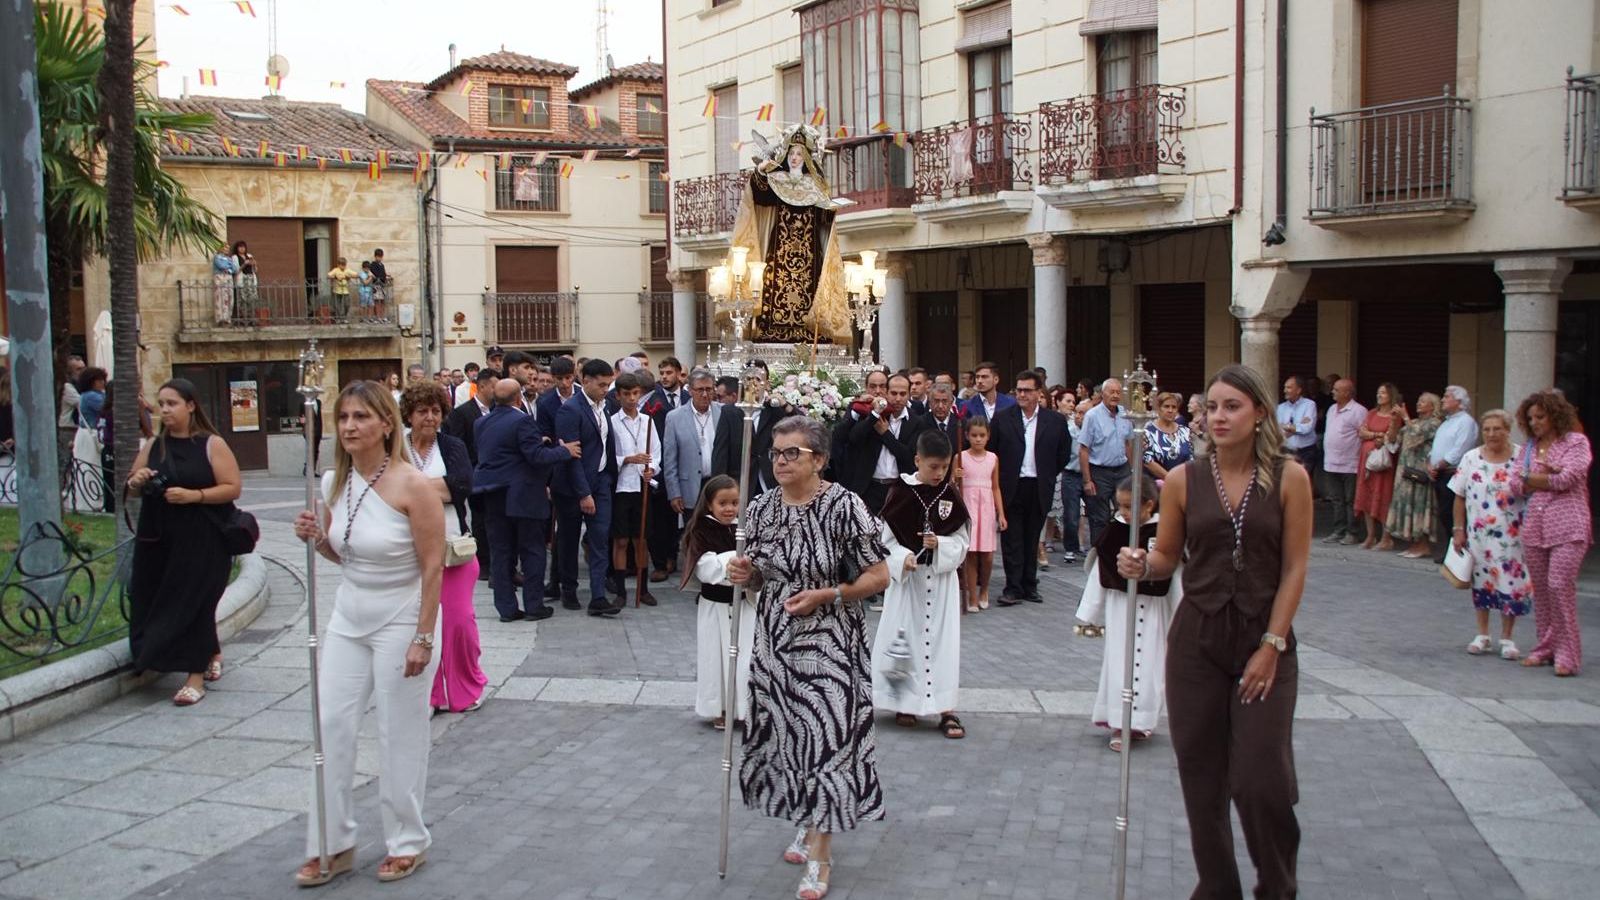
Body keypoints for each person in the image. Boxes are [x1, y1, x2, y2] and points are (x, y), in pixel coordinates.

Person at [1116, 364, 1311, 899]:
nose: (1218, 417)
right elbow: (1167, 558)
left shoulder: (1290, 477)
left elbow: (1295, 567)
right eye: (1212, 408)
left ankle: (1277, 885)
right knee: (1202, 783)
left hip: (1263, 640)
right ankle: (1218, 889)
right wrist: (1140, 562)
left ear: (1260, 414)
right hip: (1196, 641)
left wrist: (1272, 645)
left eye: (1233, 407)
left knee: (1258, 781)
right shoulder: (1182, 480)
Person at [726, 416, 891, 900]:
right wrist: (745, 573)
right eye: (775, 453)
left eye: (791, 453)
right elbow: (759, 576)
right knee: (789, 740)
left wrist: (831, 594)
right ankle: (806, 816)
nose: (780, 461)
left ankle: (821, 856)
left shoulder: (845, 506)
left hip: (831, 643)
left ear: (819, 459)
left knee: (828, 743)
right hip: (775, 644)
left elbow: (878, 576)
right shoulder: (759, 509)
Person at [291, 380, 444, 886]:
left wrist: (422, 636)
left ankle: (407, 840)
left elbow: (433, 565)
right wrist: (317, 541)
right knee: (330, 726)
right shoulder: (335, 479)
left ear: (385, 424)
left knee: (399, 734)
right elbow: (345, 552)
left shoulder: (412, 483)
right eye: (343, 418)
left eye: (360, 417)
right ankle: (331, 843)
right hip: (348, 616)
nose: (350, 426)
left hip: (403, 617)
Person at [125, 379, 242, 706]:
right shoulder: (153, 445)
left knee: (196, 601)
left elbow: (232, 487)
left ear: (191, 406)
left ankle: (194, 676)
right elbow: (132, 485)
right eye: (161, 403)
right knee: (153, 595)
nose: (165, 410)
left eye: (172, 403)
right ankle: (210, 651)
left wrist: (195, 496)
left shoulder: (211, 444)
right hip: (159, 537)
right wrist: (137, 480)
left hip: (203, 538)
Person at [871, 430, 970, 737]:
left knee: (943, 643)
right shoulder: (901, 493)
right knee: (906, 640)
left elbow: (962, 542)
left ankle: (945, 708)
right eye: (932, 467)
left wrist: (940, 543)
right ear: (918, 461)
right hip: (909, 584)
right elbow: (884, 542)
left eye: (944, 467)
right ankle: (905, 703)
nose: (939, 474)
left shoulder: (950, 495)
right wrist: (902, 557)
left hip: (940, 583)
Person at [1078, 473, 1182, 750]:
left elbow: (1176, 575)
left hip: (1154, 611)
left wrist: (1183, 618)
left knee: (1150, 666)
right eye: (1120, 506)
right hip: (1120, 607)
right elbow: (1100, 571)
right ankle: (1119, 723)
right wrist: (1088, 613)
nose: (1122, 512)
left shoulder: (1164, 531)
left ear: (1149, 505)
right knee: (1119, 663)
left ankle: (1142, 722)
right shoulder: (1115, 530)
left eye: (1128, 507)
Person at [399, 381, 485, 713]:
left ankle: (466, 687)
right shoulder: (396, 449)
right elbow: (383, 486)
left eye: (436, 411)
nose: (430, 418)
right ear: (409, 414)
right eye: (423, 411)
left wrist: (409, 491)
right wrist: (435, 488)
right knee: (423, 624)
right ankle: (431, 695)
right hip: (411, 553)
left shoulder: (452, 446)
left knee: (459, 622)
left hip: (454, 548)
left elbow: (462, 486)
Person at [731, 124, 850, 344]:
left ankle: (809, 329)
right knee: (774, 285)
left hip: (809, 253)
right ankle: (771, 329)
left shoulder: (816, 185)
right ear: (786, 155)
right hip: (780, 250)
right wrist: (760, 171)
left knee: (811, 287)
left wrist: (831, 211)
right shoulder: (777, 180)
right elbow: (759, 194)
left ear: (806, 158)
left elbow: (822, 219)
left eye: (799, 154)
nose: (795, 158)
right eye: (792, 153)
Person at [474, 379, 578, 621]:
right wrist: (565, 451)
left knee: (501, 553)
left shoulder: (481, 422)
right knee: (532, 551)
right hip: (523, 496)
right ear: (518, 399)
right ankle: (533, 605)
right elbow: (536, 457)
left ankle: (507, 609)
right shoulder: (522, 420)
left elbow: (502, 450)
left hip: (492, 495)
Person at [1509, 390, 1592, 677]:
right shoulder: (1529, 448)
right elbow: (1516, 485)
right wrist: (1543, 476)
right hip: (1535, 527)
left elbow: (1569, 477)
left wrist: (1534, 478)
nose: (1535, 423)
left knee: (1559, 585)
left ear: (1555, 415)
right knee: (1542, 592)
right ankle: (1545, 647)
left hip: (1569, 526)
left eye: (1540, 417)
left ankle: (1568, 654)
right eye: (1530, 418)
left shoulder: (1575, 442)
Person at [1449, 409, 1533, 660]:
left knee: (1511, 582)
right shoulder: (1471, 458)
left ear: (1507, 430)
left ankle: (1507, 637)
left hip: (1512, 535)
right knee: (1482, 581)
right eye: (1487, 429)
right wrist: (1458, 529)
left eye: (1497, 429)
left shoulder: (1521, 458)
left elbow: (1532, 492)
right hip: (1479, 535)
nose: (1492, 434)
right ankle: (1482, 634)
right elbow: (1459, 496)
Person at [992, 370, 1070, 605]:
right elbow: (993, 451)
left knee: (1031, 537)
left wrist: (1047, 474)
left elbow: (1063, 453)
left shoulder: (1054, 421)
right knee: (1011, 539)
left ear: (1038, 393)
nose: (1022, 394)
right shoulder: (1003, 418)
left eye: (1027, 390)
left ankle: (1029, 584)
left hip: (1038, 485)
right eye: (1019, 390)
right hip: (1011, 486)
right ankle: (1012, 587)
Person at [684, 475, 753, 730]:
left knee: (744, 658)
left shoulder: (745, 527)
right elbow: (704, 567)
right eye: (722, 503)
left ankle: (744, 708)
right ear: (710, 504)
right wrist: (734, 562)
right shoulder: (702, 529)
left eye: (734, 503)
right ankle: (720, 707)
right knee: (718, 659)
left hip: (744, 607)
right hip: (715, 608)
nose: (729, 509)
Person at [556, 358, 621, 616]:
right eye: (602, 384)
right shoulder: (570, 410)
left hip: (602, 480)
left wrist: (605, 480)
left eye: (609, 384)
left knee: (599, 539)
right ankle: (568, 589)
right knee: (570, 539)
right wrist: (583, 493)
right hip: (573, 486)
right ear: (586, 380)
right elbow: (573, 455)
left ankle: (598, 597)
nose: (606, 389)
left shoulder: (606, 407)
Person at [609, 372, 662, 606]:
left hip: (642, 487)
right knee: (621, 540)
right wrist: (627, 459)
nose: (632, 399)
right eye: (627, 394)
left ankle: (643, 589)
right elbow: (610, 456)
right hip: (621, 487)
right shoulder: (612, 422)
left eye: (635, 394)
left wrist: (653, 469)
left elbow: (656, 453)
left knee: (641, 540)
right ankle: (621, 591)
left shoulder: (648, 421)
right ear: (618, 395)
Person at [664, 368, 740, 520]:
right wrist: (674, 492)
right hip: (690, 487)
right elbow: (670, 459)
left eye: (709, 389)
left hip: (719, 483)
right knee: (694, 533)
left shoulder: (724, 412)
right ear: (690, 390)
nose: (705, 394)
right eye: (700, 390)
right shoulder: (675, 418)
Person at [445, 367, 498, 578]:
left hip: (495, 473)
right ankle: (483, 562)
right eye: (493, 385)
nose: (496, 390)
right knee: (479, 519)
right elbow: (457, 444)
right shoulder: (462, 413)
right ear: (482, 386)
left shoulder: (497, 410)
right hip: (474, 472)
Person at [847, 372, 923, 512]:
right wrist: (873, 416)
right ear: (886, 393)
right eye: (893, 393)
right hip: (870, 488)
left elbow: (909, 457)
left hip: (900, 489)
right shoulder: (875, 415)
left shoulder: (916, 422)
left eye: (902, 394)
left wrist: (885, 434)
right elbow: (854, 438)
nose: (898, 399)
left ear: (908, 395)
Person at [1388, 392, 1442, 559]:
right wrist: (1395, 420)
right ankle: (1413, 544)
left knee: (1419, 505)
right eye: (1418, 400)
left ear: (1433, 406)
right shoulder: (1415, 422)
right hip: (1406, 471)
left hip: (1420, 472)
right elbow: (1393, 440)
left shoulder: (1435, 423)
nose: (1419, 403)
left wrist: (1405, 417)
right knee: (1408, 505)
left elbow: (1416, 435)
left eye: (1423, 401)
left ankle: (1423, 545)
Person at [1079, 377, 1133, 547]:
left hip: (1122, 470)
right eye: (1112, 392)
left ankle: (1121, 549)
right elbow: (1084, 449)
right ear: (1103, 394)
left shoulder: (1125, 414)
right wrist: (1087, 480)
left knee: (1125, 513)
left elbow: (1128, 444)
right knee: (1099, 517)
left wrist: (1132, 471)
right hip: (1100, 472)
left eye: (1118, 392)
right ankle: (1099, 554)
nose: (1115, 395)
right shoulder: (1092, 416)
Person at [959, 417, 1005, 612]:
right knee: (971, 554)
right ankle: (972, 596)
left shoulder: (993, 458)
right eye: (974, 435)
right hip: (968, 507)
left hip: (986, 508)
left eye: (982, 435)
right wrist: (956, 477)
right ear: (967, 436)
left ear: (988, 437)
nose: (978, 439)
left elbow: (995, 487)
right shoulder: (960, 457)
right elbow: (954, 487)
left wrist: (1001, 514)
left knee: (986, 555)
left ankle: (984, 589)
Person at [1430, 386, 1480, 564]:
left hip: (1452, 472)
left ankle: (1457, 550)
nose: (1443, 400)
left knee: (1451, 512)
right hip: (1440, 472)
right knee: (1444, 513)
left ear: (1459, 402)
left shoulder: (1466, 422)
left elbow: (1460, 449)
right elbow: (1438, 446)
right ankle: (1450, 548)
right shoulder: (1447, 422)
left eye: (1447, 396)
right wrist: (1431, 462)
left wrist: (1440, 464)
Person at [1354, 383, 1403, 550]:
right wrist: (1377, 434)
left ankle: (1386, 537)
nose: (1379, 395)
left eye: (1383, 393)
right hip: (1366, 461)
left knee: (1383, 495)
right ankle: (1370, 535)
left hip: (1383, 464)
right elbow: (1361, 432)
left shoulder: (1395, 415)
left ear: (1391, 395)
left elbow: (1391, 437)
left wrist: (1375, 435)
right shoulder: (1371, 413)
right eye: (1378, 392)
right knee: (1366, 494)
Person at [1321, 378, 1367, 545]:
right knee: (1336, 499)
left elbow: (1363, 434)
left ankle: (1353, 532)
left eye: (1336, 390)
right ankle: (1338, 530)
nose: (1332, 392)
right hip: (1331, 462)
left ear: (1347, 393)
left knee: (1351, 500)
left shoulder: (1358, 411)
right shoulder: (1332, 409)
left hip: (1350, 463)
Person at [72, 367, 108, 512]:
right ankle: (91, 502)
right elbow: (107, 407)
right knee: (91, 466)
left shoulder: (90, 395)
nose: (103, 383)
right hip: (89, 434)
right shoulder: (91, 396)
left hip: (87, 434)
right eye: (99, 380)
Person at [1143, 391, 1194, 483]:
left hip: (1182, 483)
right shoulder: (1148, 432)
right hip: (1156, 486)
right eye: (1166, 406)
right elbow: (1148, 461)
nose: (1170, 410)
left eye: (1174, 407)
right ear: (1158, 408)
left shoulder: (1185, 431)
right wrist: (1171, 479)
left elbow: (1190, 458)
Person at [1277, 376, 1317, 473]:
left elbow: (1307, 428)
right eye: (1284, 387)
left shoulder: (1309, 405)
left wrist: (1287, 427)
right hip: (1287, 452)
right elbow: (1278, 430)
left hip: (1306, 452)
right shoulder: (1280, 408)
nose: (1285, 390)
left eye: (1289, 387)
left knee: (1303, 482)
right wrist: (1298, 425)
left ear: (1298, 390)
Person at [211, 242, 238, 325]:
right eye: (225, 248)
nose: (227, 250)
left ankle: (227, 318)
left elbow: (234, 268)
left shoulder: (229, 258)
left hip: (228, 278)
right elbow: (221, 266)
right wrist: (229, 265)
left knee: (229, 297)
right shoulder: (217, 257)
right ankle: (220, 319)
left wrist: (229, 268)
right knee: (220, 298)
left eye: (228, 248)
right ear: (221, 248)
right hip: (220, 278)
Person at [231, 240, 258, 320]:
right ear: (237, 248)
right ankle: (243, 319)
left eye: (243, 247)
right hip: (242, 280)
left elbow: (255, 270)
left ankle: (252, 318)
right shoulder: (235, 257)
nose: (242, 249)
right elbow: (236, 270)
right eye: (240, 247)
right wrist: (244, 264)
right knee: (242, 300)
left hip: (251, 279)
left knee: (252, 300)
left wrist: (254, 264)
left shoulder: (249, 256)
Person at [370, 248, 390, 320]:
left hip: (382, 285)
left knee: (382, 300)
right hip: (376, 285)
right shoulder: (373, 264)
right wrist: (378, 278)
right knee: (377, 301)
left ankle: (382, 315)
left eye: (381, 256)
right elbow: (374, 273)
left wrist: (386, 276)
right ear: (375, 256)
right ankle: (378, 316)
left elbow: (383, 273)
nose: (379, 258)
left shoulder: (382, 265)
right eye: (378, 256)